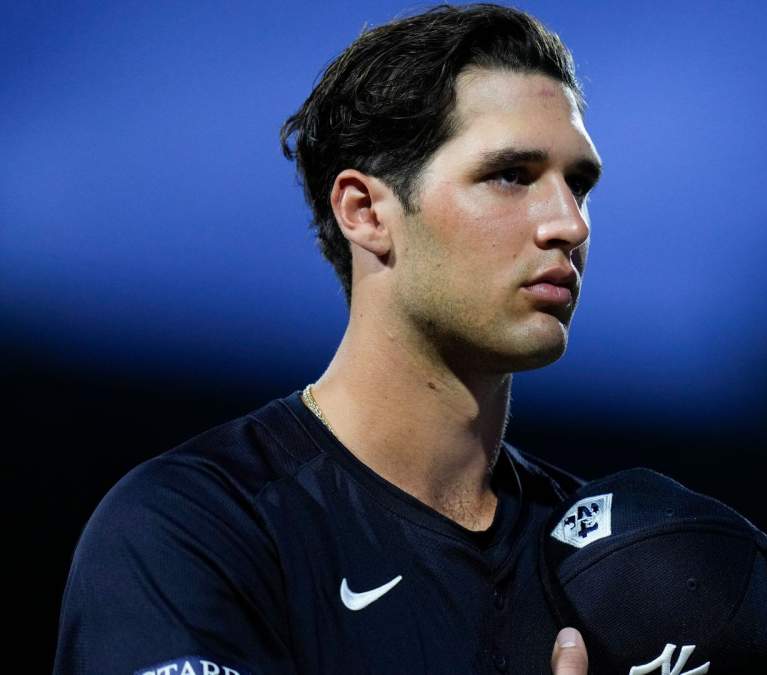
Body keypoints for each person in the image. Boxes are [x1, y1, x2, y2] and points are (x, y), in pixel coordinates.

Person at [53, 4, 600, 673]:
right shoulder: (195, 527)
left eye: (579, 184)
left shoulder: (613, 556)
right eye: (511, 175)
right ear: (364, 211)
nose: (569, 224)